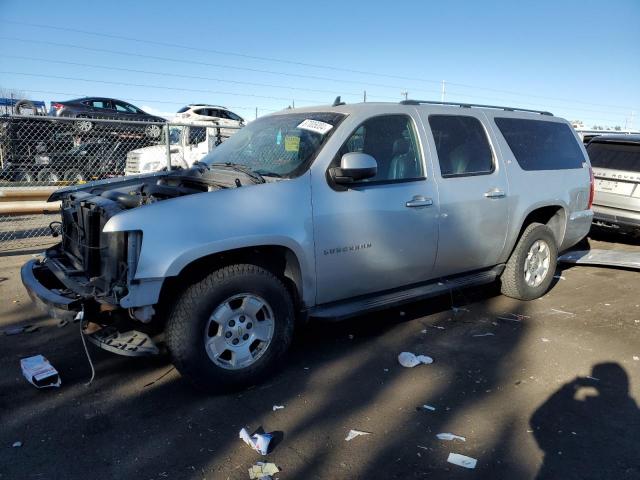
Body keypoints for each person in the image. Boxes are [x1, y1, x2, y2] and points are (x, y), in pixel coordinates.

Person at [530, 363, 640, 479]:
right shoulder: (581, 410)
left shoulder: (581, 411)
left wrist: (573, 386)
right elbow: (540, 420)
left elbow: (540, 421)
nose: (609, 385)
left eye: (611, 381)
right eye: (605, 381)